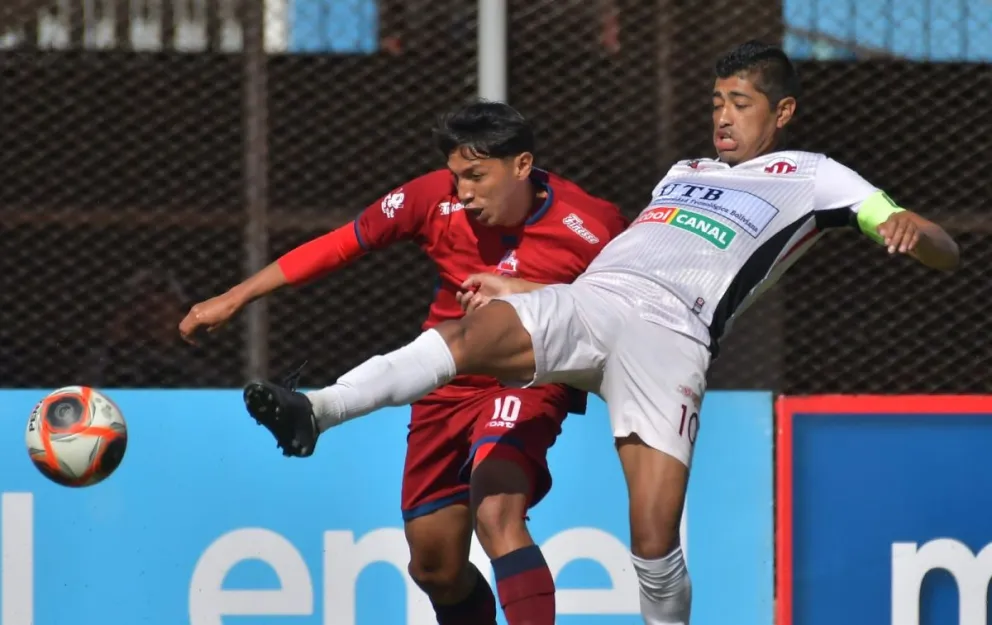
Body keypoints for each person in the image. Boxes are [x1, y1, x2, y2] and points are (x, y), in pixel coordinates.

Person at [237, 40, 960, 624]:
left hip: (670, 339)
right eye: (717, 102)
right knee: (467, 336)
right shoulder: (683, 171)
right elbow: (630, 261)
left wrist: (910, 230)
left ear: (784, 111)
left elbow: (941, 248)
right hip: (593, 303)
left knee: (653, 542)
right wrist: (525, 290)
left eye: (741, 103)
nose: (723, 116)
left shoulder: (814, 176)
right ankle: (318, 409)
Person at [179, 100, 629, 625]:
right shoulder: (431, 198)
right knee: (435, 567)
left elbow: (627, 306)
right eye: (457, 177)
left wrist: (526, 292)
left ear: (522, 165)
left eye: (477, 176)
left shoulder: (593, 225)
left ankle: (320, 409)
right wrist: (234, 298)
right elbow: (342, 243)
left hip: (526, 378)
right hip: (441, 381)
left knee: (496, 511)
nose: (463, 192)